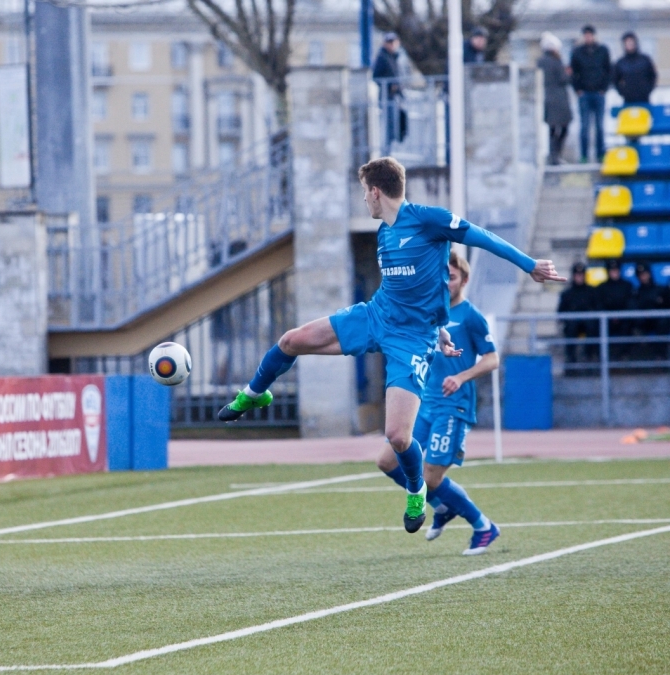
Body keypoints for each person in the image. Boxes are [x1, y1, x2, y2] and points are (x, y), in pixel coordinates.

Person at [217, 157, 564, 533]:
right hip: (375, 317)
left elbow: (483, 236)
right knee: (292, 340)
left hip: (412, 341)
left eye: (364, 193)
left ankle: (416, 490)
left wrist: (529, 264)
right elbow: (415, 289)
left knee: (398, 436)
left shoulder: (428, 219)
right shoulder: (384, 231)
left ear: (376, 191)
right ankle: (254, 393)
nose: (364, 201)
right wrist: (442, 327)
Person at [377, 252, 500, 555]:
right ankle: (441, 506)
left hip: (453, 407)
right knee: (387, 461)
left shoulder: (470, 316)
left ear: (465, 280)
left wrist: (461, 377)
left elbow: (492, 358)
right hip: (424, 403)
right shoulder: (431, 313)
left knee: (431, 475)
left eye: (453, 277)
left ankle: (483, 526)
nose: (447, 282)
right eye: (443, 276)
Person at [570, 25, 611, 163]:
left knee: (600, 126)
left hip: (599, 93)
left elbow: (608, 71)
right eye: (586, 35)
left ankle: (600, 154)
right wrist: (578, 90)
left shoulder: (603, 51)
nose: (588, 37)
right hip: (585, 94)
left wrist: (604, 89)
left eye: (590, 35)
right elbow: (573, 73)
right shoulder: (577, 52)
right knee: (584, 126)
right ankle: (584, 155)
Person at [539, 32, 573, 166]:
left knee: (551, 129)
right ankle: (556, 156)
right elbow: (563, 79)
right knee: (563, 128)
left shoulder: (540, 62)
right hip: (559, 99)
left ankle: (552, 156)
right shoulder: (556, 61)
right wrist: (568, 73)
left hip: (546, 98)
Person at [558, 262, 599, 365]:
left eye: (581, 275)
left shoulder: (592, 291)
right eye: (577, 275)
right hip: (572, 324)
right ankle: (571, 358)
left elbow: (598, 308)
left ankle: (589, 355)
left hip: (589, 324)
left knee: (592, 327)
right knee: (570, 328)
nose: (579, 277)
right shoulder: (567, 294)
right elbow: (560, 311)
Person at [595, 259, 635, 360]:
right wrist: (610, 316)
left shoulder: (627, 286)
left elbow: (630, 303)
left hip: (624, 319)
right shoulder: (601, 287)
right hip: (607, 320)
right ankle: (603, 358)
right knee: (599, 327)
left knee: (627, 327)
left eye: (616, 270)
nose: (614, 272)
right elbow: (599, 305)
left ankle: (624, 356)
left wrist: (621, 316)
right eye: (612, 270)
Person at [372, 33, 406, 151]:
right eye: (389, 42)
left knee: (398, 127)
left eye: (394, 42)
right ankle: (387, 154)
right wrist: (389, 86)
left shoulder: (394, 57)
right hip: (387, 98)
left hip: (396, 97)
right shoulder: (382, 57)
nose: (392, 45)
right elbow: (375, 77)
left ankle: (394, 152)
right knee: (389, 129)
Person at [631, 262, 667, 360]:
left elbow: (665, 304)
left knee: (663, 324)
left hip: (659, 321)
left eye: (645, 274)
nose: (643, 277)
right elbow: (635, 306)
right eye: (640, 275)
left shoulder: (661, 289)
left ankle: (661, 356)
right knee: (633, 326)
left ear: (649, 274)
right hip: (643, 322)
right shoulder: (636, 292)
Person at [613, 32, 658, 105]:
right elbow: (615, 79)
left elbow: (653, 75)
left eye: (631, 41)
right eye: (627, 42)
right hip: (628, 100)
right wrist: (622, 92)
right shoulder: (620, 63)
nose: (629, 44)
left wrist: (648, 89)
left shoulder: (645, 60)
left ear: (635, 43)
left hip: (644, 99)